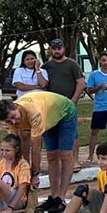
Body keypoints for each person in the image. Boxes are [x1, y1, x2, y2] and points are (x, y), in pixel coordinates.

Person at [0, 92, 76, 213]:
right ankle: (54, 197)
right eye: (9, 121)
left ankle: (61, 198)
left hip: (65, 112)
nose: (14, 122)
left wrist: (35, 174)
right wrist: (23, 171)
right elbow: (18, 144)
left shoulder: (33, 112)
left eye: (13, 116)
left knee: (65, 155)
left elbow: (36, 146)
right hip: (48, 116)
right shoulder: (12, 120)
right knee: (52, 156)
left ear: (16, 107)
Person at [43, 38, 85, 169]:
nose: (56, 51)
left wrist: (73, 100)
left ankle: (75, 160)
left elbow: (81, 82)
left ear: (63, 49)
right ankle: (60, 162)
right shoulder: (46, 66)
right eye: (54, 48)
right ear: (51, 50)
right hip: (52, 107)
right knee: (54, 133)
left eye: (59, 48)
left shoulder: (72, 64)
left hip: (68, 105)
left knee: (72, 133)